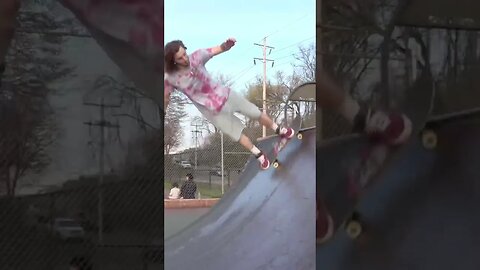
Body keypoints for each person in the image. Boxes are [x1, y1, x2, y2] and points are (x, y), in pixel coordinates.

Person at [163, 38, 295, 170]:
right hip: (212, 111)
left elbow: (218, 49)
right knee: (236, 133)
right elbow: (166, 98)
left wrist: (227, 45)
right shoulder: (171, 78)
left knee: (255, 112)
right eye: (180, 58)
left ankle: (280, 130)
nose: (185, 59)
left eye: (184, 54)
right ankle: (259, 155)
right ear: (173, 61)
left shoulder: (197, 56)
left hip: (226, 95)